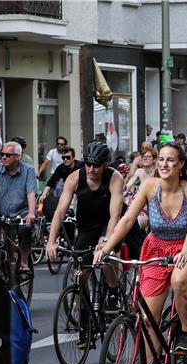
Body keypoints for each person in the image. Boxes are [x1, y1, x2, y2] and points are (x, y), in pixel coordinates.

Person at [94, 142, 187, 364]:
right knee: (148, 319)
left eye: (171, 160)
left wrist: (185, 250)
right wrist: (107, 247)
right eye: (161, 159)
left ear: (181, 164)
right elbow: (127, 220)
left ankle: (186, 334)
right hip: (156, 247)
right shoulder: (149, 186)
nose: (164, 164)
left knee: (180, 279)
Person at [46, 141, 125, 347]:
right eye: (88, 164)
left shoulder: (115, 178)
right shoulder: (75, 178)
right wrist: (51, 241)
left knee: (105, 255)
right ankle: (84, 324)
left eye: (97, 165)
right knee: (80, 276)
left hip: (109, 223)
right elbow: (60, 211)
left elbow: (115, 214)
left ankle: (113, 290)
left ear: (105, 164)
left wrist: (105, 242)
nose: (91, 169)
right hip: (86, 227)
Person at [0, 141, 37, 269]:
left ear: (18, 157)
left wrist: (31, 213)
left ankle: (24, 261)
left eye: (8, 155)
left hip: (22, 214)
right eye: (2, 154)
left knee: (25, 231)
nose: (3, 157)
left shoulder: (28, 171)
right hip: (3, 215)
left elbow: (31, 193)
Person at [125, 148, 156, 229]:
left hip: (155, 204)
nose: (145, 158)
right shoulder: (139, 171)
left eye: (149, 156)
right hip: (141, 203)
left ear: (154, 160)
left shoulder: (158, 172)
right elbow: (127, 186)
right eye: (144, 156)